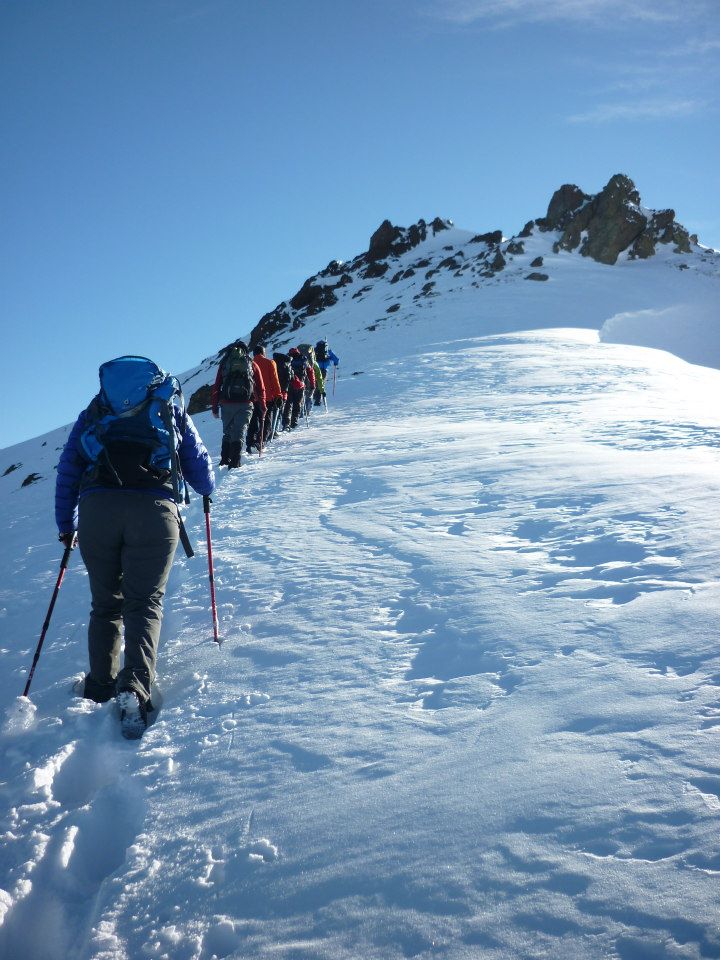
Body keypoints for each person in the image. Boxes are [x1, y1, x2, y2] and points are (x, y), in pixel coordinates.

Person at [55, 356, 215, 738]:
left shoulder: (96, 411)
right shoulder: (168, 408)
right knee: (144, 602)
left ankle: (99, 687)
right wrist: (207, 491)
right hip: (155, 510)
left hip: (97, 510)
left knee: (106, 603)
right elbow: (197, 462)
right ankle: (134, 688)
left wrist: (67, 524)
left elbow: (69, 467)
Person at [211, 340, 255, 468]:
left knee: (228, 431)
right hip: (245, 402)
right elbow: (260, 384)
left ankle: (224, 459)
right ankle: (235, 461)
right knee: (240, 431)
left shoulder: (225, 363)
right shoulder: (250, 362)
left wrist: (214, 407)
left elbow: (217, 386)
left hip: (227, 402)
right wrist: (262, 404)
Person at [251, 346, 283, 446]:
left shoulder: (249, 363)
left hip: (252, 397)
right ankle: (261, 441)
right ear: (263, 352)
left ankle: (252, 441)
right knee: (266, 419)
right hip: (267, 397)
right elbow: (275, 380)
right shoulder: (270, 362)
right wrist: (278, 395)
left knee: (254, 420)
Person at [245, 354, 267, 455]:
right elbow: (261, 387)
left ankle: (230, 456)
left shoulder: (228, 363)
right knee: (255, 423)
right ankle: (253, 444)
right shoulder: (252, 364)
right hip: (253, 399)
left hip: (231, 400)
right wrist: (263, 404)